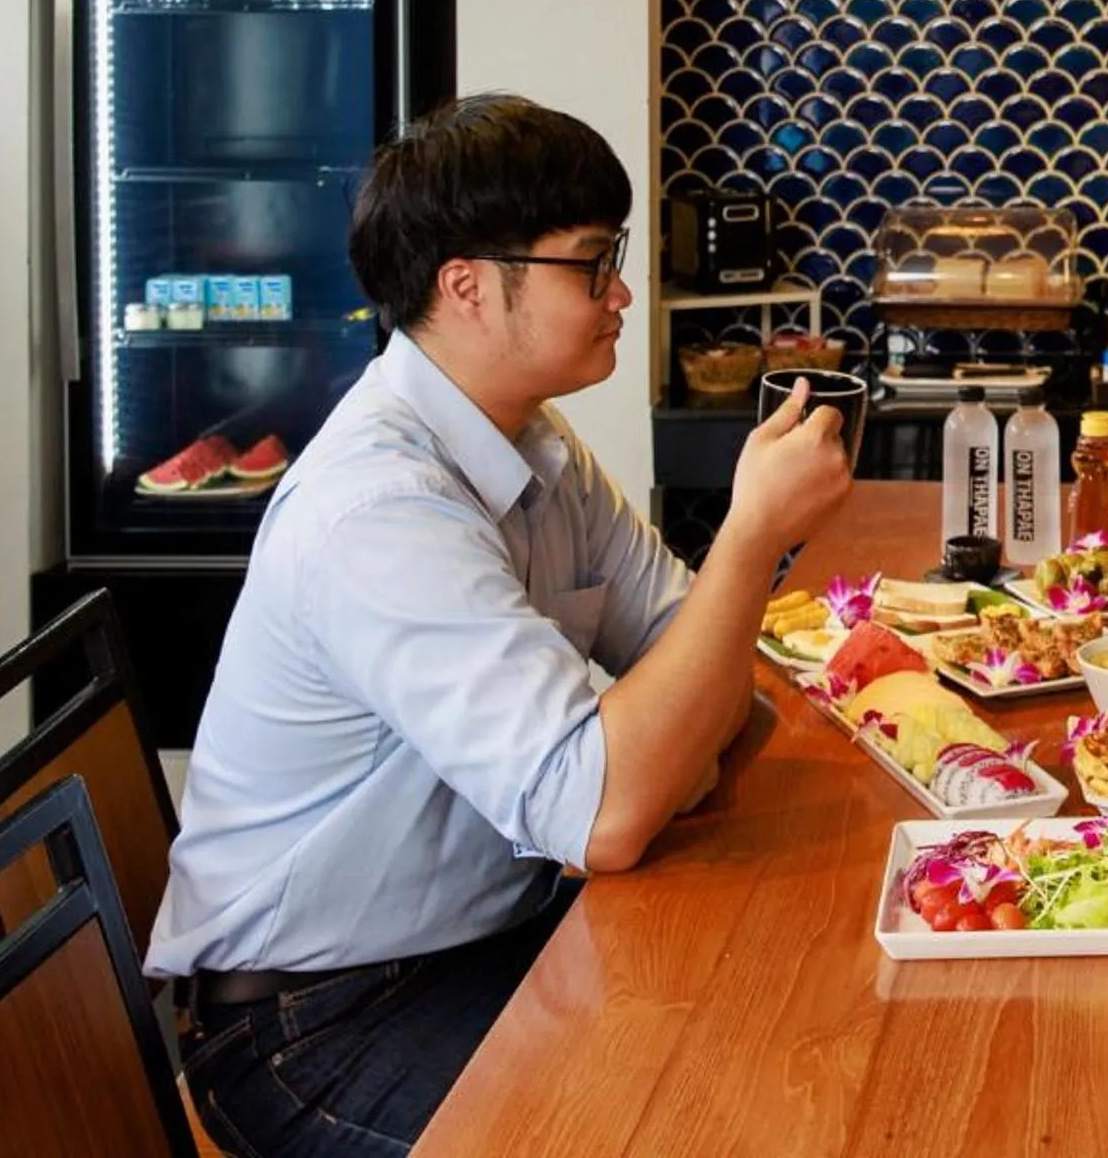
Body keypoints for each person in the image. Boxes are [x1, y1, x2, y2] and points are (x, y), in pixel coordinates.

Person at [147, 94, 852, 1158]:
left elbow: (715, 690)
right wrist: (750, 542)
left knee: (787, 1043)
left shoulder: (534, 445)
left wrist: (656, 740)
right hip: (319, 1019)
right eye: (590, 262)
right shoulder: (380, 507)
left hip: (488, 942)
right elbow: (608, 812)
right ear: (466, 286)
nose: (621, 293)